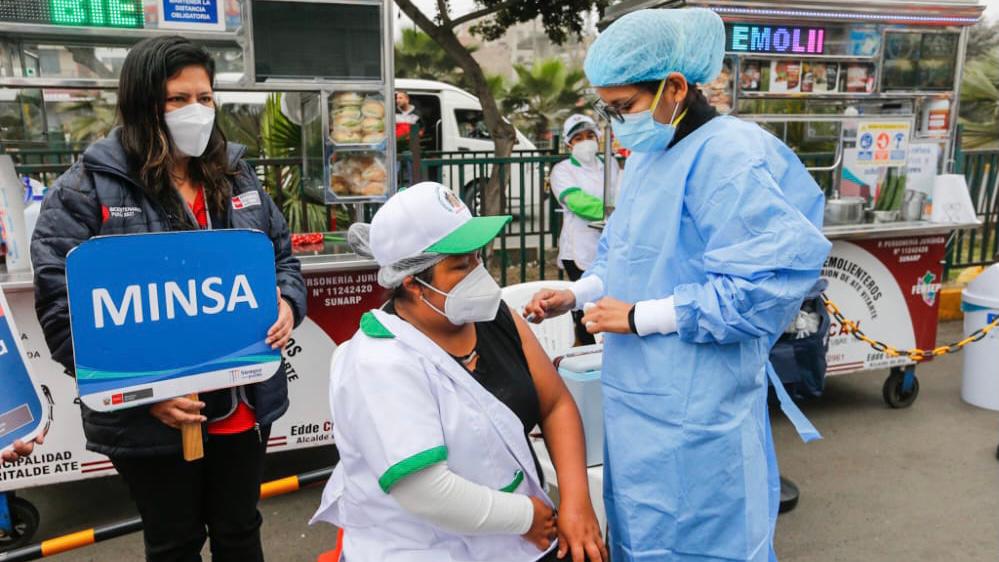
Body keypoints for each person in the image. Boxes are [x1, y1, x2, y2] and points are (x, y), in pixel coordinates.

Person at [524, 8, 831, 562]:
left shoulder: (730, 156)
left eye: (625, 108)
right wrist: (581, 292)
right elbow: (628, 253)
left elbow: (760, 289)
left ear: (676, 86)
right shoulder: (651, 155)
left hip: (700, 402)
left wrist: (640, 317)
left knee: (705, 541)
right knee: (643, 533)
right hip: (639, 399)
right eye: (608, 110)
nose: (617, 124)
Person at [31, 36, 306, 562]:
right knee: (175, 543)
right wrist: (145, 393)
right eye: (178, 99)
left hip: (244, 405)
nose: (196, 111)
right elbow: (64, 315)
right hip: (150, 421)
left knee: (240, 531)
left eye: (205, 97)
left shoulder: (237, 175)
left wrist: (289, 303)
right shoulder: (84, 192)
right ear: (142, 104)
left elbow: (283, 261)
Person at [311, 182, 606, 562]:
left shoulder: (493, 316)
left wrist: (576, 499)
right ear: (412, 283)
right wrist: (527, 515)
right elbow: (426, 490)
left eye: (478, 258)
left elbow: (555, 405)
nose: (478, 274)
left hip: (526, 540)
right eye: (461, 265)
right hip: (428, 550)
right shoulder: (379, 361)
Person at [550, 114, 620, 346]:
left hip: (610, 244)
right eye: (578, 137)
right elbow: (577, 202)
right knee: (584, 310)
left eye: (590, 135)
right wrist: (615, 211)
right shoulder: (562, 170)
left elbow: (621, 193)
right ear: (569, 143)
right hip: (578, 248)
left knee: (607, 303)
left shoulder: (609, 164)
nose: (586, 141)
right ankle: (585, 355)